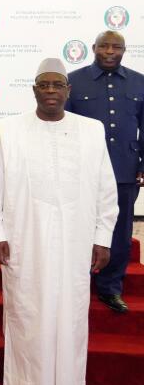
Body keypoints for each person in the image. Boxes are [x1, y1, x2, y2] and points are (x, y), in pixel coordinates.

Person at [0, 57, 117, 385]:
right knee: (27, 310)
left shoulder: (91, 129)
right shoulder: (11, 129)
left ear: (68, 91)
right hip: (26, 238)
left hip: (76, 239)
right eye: (45, 85)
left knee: (72, 314)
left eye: (58, 85)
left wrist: (103, 236)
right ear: (34, 91)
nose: (52, 91)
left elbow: (105, 188)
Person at [66, 31, 144, 313]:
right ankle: (78, 285)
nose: (110, 51)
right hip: (82, 172)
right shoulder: (73, 81)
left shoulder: (139, 82)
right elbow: (61, 129)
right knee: (79, 229)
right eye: (104, 46)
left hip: (124, 169)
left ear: (124, 50)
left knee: (120, 233)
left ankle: (111, 288)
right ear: (93, 48)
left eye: (117, 47)